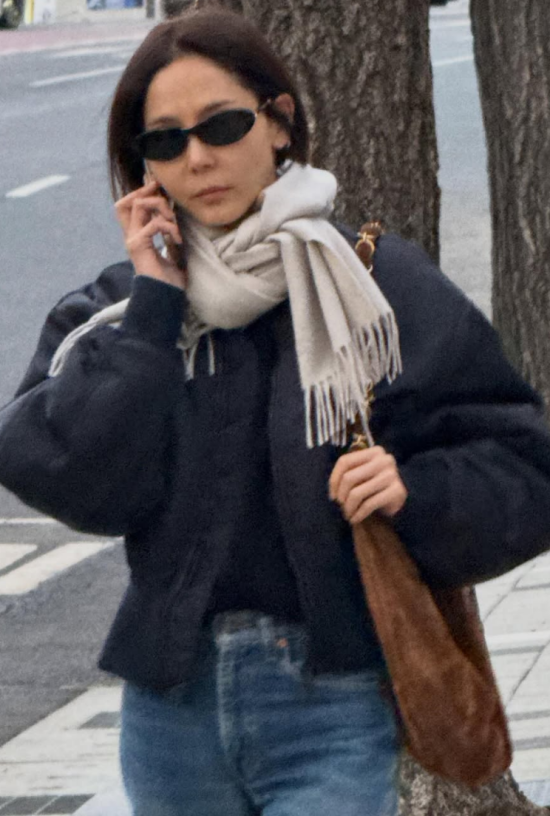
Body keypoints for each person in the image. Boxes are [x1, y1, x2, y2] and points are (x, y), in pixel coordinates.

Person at [1, 8, 550, 816]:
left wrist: (415, 491)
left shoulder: (374, 285)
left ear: (279, 123)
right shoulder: (123, 310)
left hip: (332, 702)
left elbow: (525, 463)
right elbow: (64, 470)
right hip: (170, 710)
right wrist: (154, 310)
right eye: (165, 141)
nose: (198, 157)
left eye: (222, 125)